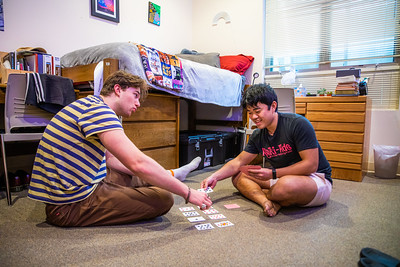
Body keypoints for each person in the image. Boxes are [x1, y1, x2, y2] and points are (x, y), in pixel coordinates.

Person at [28, 70, 212, 227]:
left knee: (135, 174)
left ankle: (170, 174)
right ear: (118, 89)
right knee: (164, 199)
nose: (138, 103)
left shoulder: (90, 104)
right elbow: (137, 162)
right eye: (135, 95)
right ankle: (170, 178)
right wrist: (187, 193)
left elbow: (111, 159)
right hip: (68, 206)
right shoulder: (100, 111)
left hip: (80, 184)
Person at [201, 83, 332, 217]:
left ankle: (274, 196)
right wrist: (213, 176)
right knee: (239, 176)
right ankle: (267, 202)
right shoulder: (258, 134)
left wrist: (273, 173)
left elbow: (311, 165)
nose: (253, 117)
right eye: (250, 113)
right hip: (281, 177)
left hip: (314, 179)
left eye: (257, 111)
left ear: (273, 106)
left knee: (284, 186)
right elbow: (238, 162)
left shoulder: (298, 124)